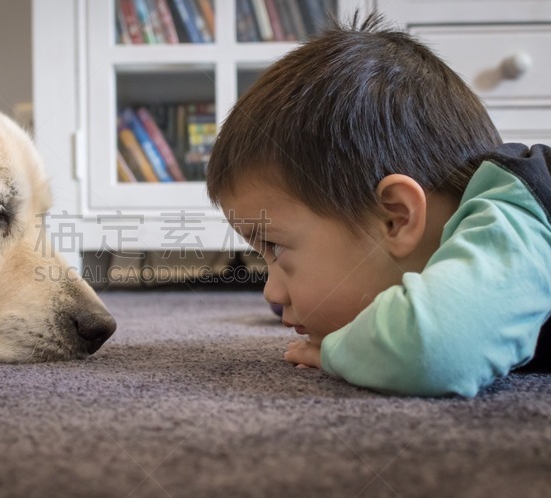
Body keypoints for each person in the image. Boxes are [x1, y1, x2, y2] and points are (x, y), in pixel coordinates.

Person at [206, 13, 551, 397]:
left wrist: (337, 351)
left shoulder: (518, 215)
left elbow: (432, 349)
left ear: (396, 218)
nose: (270, 293)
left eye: (276, 247)